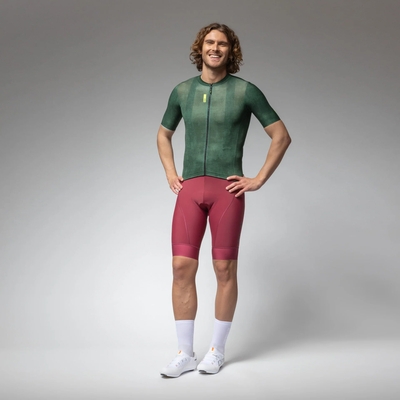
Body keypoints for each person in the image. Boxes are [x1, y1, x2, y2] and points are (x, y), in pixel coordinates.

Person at [157, 22, 291, 377]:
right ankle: (185, 353)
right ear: (200, 48)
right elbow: (163, 134)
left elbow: (281, 135)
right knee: (181, 267)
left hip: (226, 193)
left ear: (231, 51)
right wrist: (171, 173)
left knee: (224, 269)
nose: (215, 48)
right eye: (209, 42)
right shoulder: (182, 91)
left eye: (222, 44)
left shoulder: (246, 91)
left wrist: (258, 179)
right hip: (190, 191)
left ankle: (216, 351)